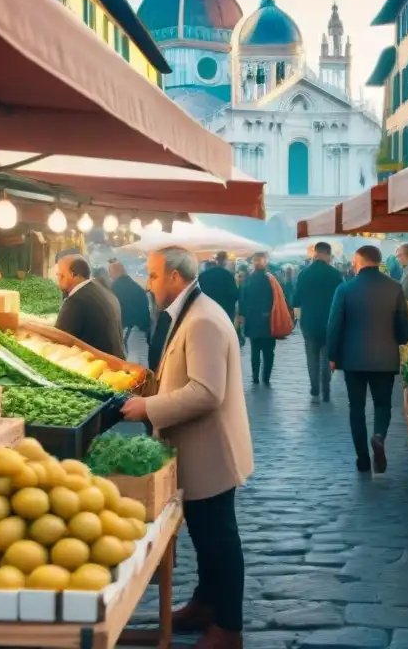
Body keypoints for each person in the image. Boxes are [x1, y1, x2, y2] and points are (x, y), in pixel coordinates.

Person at [121, 247, 252, 649]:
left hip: (211, 451)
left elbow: (206, 392)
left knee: (219, 540)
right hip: (198, 450)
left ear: (176, 277)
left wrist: (149, 406)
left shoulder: (203, 320)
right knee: (204, 534)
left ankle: (228, 627)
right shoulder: (191, 312)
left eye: (155, 275)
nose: (149, 282)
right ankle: (205, 605)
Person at [327, 245, 408, 474]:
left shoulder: (344, 289)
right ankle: (379, 436)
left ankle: (363, 460)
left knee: (356, 408)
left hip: (353, 359)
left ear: (360, 261)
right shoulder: (395, 288)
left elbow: (334, 326)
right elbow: (405, 328)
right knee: (383, 404)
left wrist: (332, 356)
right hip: (385, 358)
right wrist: (400, 340)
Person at [292, 241, 344, 403]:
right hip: (330, 321)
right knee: (327, 356)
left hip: (309, 322)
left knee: (312, 356)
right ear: (327, 254)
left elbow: (295, 300)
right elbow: (342, 299)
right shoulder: (336, 274)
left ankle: (314, 387)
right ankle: (326, 388)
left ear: (315, 253)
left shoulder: (304, 274)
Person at [55, 254, 125, 358]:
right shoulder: (103, 288)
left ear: (74, 275)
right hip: (117, 363)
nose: (58, 281)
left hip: (98, 368)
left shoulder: (76, 301)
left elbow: (58, 341)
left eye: (62, 276)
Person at [239, 252, 283, 385]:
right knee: (269, 352)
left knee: (255, 351)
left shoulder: (248, 280)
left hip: (253, 321)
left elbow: (243, 301)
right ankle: (266, 377)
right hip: (268, 321)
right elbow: (277, 299)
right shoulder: (270, 280)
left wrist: (243, 315)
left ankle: (255, 377)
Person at [108, 260, 151, 354]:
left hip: (129, 330)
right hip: (143, 329)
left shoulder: (115, 288)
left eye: (110, 272)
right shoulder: (136, 286)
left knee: (132, 358)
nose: (110, 276)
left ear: (114, 272)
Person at [198, 252, 239, 323]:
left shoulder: (203, 275)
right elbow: (235, 295)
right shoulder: (228, 276)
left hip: (207, 312)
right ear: (225, 261)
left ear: (216, 260)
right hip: (225, 314)